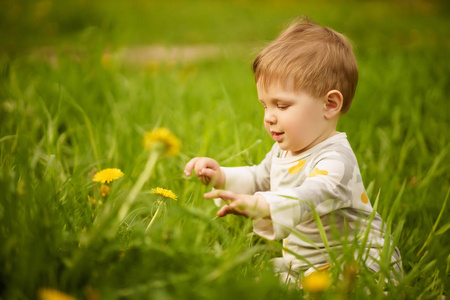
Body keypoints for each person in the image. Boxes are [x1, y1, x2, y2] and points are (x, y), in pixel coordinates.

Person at [184, 17, 402, 286]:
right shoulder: (282, 152)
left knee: (345, 285)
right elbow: (259, 178)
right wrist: (221, 177)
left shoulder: (336, 160)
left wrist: (264, 204)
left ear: (330, 104)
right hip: (309, 263)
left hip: (358, 261)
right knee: (261, 279)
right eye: (265, 106)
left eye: (282, 106)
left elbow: (309, 196)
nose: (269, 117)